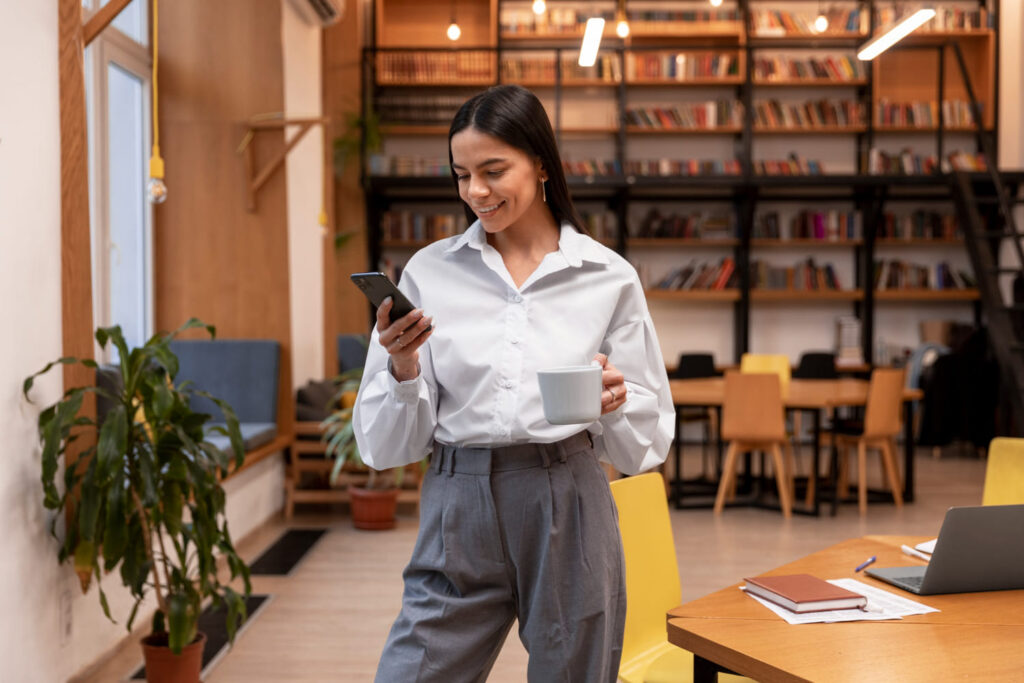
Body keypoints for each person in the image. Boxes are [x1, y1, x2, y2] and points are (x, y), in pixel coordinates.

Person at [353, 84, 674, 682]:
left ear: (542, 164)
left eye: (493, 171)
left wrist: (615, 402)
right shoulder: (429, 271)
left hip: (568, 498)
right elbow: (385, 447)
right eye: (462, 175)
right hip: (457, 500)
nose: (476, 191)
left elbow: (645, 447)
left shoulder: (608, 277)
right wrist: (402, 368)